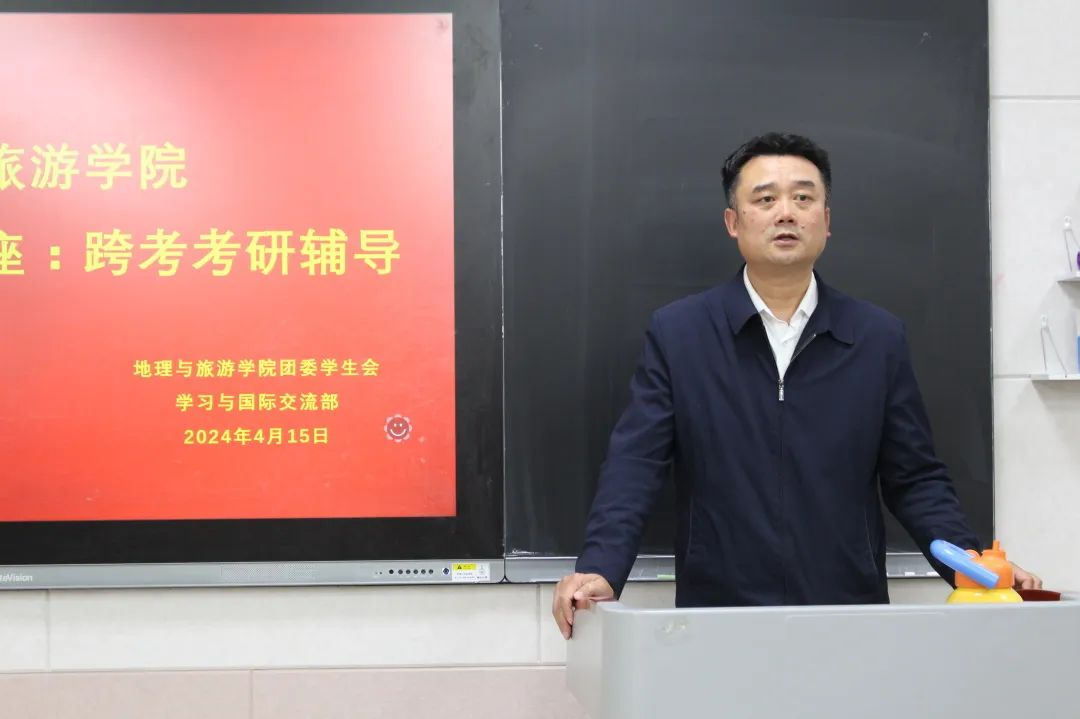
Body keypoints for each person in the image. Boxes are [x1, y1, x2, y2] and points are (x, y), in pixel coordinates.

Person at [552, 132, 1040, 639]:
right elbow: (637, 464)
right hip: (718, 613)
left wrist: (974, 567)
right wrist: (601, 568)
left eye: (803, 198)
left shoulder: (876, 337)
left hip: (848, 612)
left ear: (826, 221)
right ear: (733, 222)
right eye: (765, 199)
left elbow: (915, 477)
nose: (786, 213)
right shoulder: (680, 334)